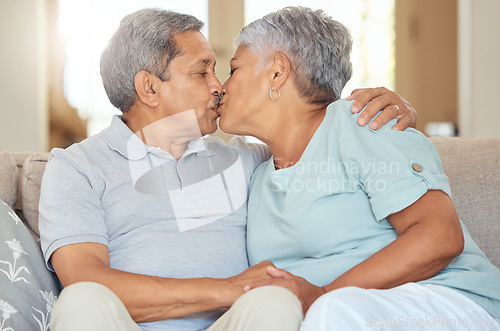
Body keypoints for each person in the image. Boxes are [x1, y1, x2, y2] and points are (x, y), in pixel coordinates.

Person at [38, 8, 417, 331]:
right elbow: (85, 277)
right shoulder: (76, 168)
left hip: (231, 325)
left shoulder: (248, 159)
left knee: (275, 303)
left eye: (218, 72)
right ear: (149, 88)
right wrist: (228, 288)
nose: (219, 86)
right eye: (202, 73)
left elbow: (313, 132)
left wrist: (389, 112)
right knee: (80, 301)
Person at [218, 6, 500, 330]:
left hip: (450, 303)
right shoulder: (257, 174)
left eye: (233, 69)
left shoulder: (363, 122)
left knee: (332, 314)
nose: (221, 87)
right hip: (330, 316)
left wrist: (322, 295)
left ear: (278, 72)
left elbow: (440, 237)